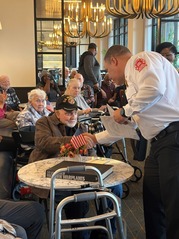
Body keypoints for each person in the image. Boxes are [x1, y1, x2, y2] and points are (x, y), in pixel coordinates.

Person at [103, 45, 179, 239]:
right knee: (153, 201)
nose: (109, 77)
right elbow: (132, 124)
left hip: (173, 137)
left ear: (114, 61)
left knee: (174, 206)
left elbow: (154, 88)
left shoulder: (140, 60)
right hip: (158, 143)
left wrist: (126, 111)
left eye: (109, 71)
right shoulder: (132, 81)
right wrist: (95, 138)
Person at [29, 95, 96, 239]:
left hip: (78, 175)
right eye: (68, 113)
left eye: (75, 112)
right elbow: (44, 143)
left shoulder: (81, 127)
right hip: (48, 177)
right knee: (76, 197)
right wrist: (75, 141)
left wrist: (93, 148)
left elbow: (91, 154)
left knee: (113, 189)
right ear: (57, 113)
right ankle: (81, 235)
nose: (73, 116)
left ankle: (102, 232)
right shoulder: (44, 122)